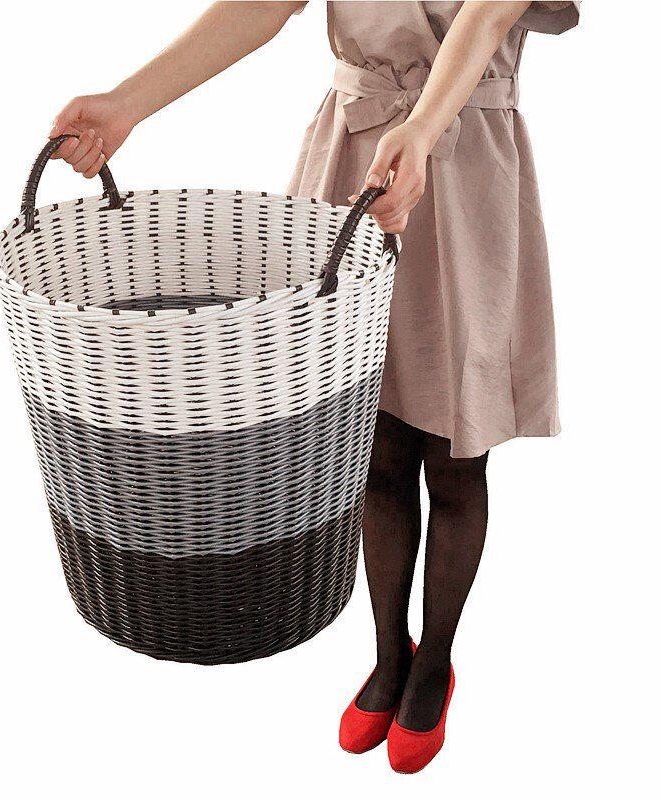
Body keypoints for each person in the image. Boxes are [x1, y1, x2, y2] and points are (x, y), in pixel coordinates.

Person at [48, 0, 579, 773]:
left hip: (461, 161)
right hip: (354, 161)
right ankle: (389, 654)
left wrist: (422, 129)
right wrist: (127, 103)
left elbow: (487, 17)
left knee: (456, 455)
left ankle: (435, 663)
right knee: (370, 446)